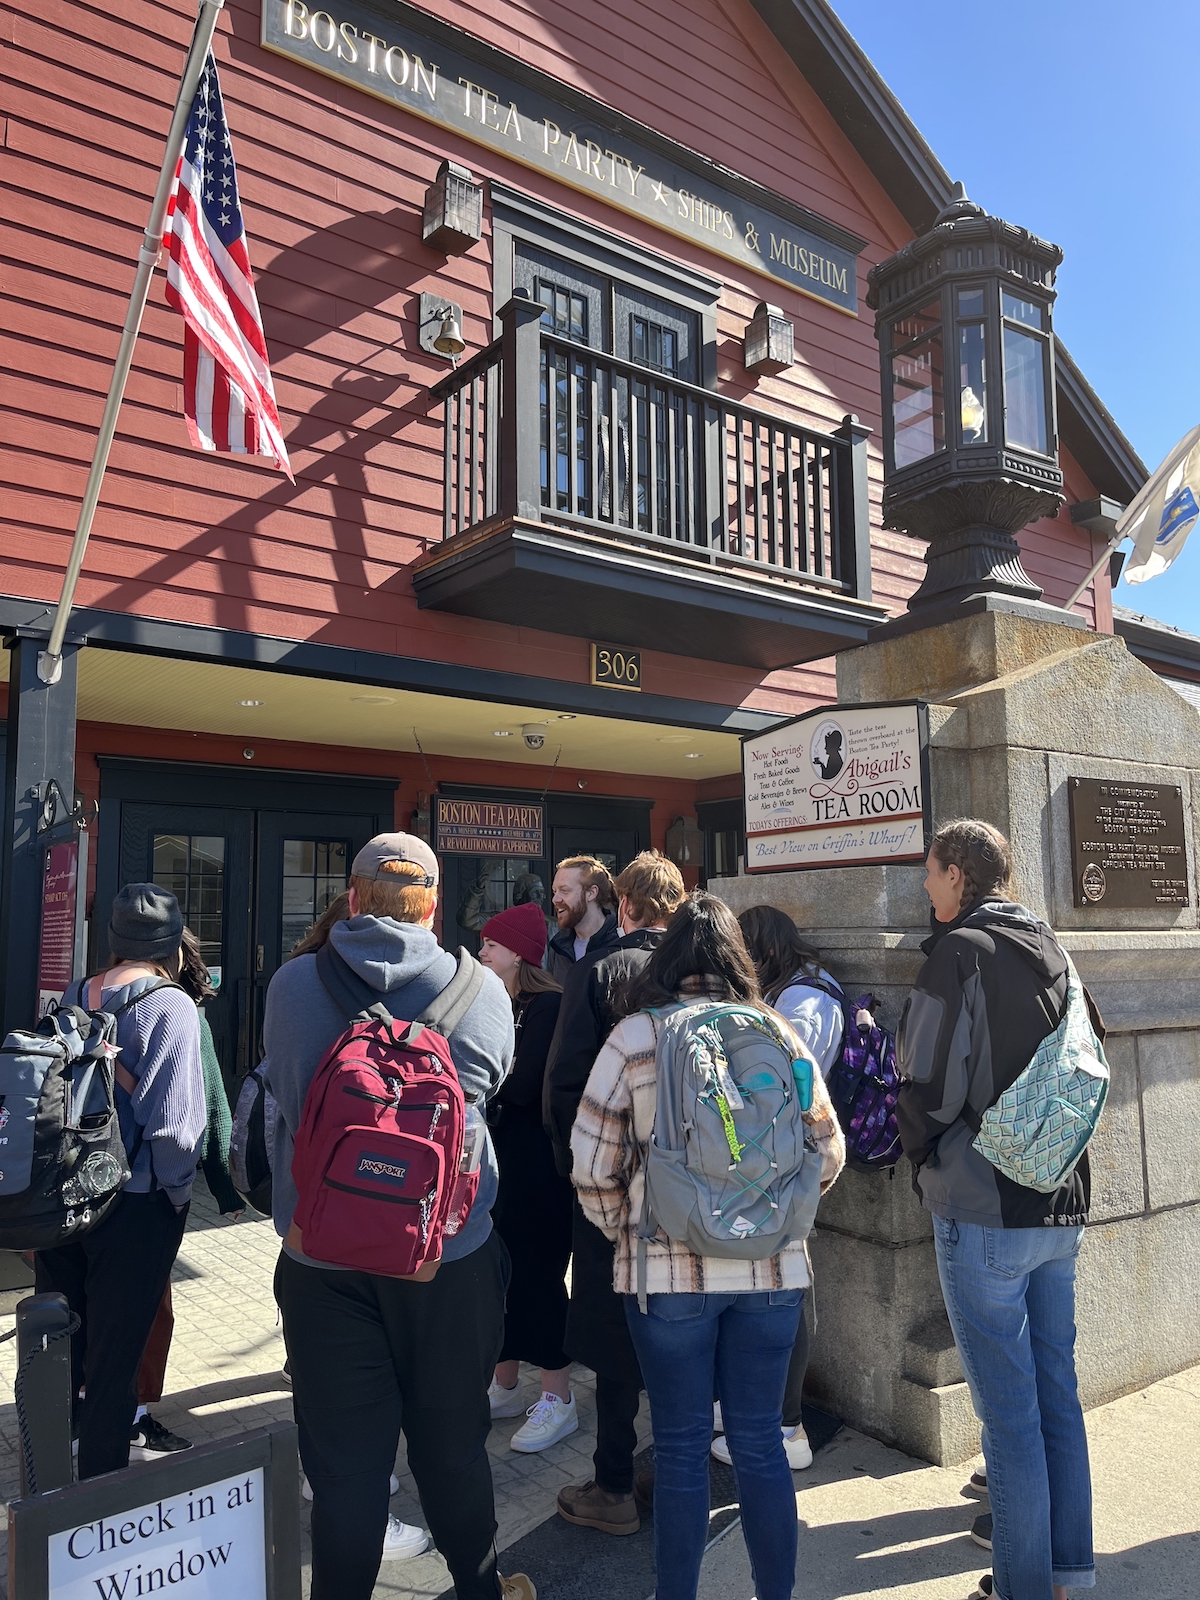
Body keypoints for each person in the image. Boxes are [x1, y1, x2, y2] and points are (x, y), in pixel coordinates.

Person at [261, 833, 535, 1600]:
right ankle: (480, 1590)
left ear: (352, 897)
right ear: (434, 906)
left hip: (325, 1261)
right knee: (452, 1448)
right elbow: (491, 1088)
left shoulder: (292, 986)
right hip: (447, 1258)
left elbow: (286, 1094)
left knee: (346, 1465)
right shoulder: (480, 991)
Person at [571, 894, 844, 1600]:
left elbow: (591, 1166)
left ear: (668, 960)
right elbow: (829, 1150)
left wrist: (626, 1231)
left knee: (683, 1448)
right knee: (759, 1446)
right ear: (736, 959)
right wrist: (779, 1216)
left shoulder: (634, 1038)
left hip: (667, 1278)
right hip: (773, 1273)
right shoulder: (779, 1032)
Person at [896, 819, 1094, 1600]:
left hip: (984, 1208)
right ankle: (1067, 1576)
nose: (924, 885)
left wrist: (917, 1152)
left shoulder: (958, 954)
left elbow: (931, 1087)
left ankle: (1020, 1589)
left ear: (958, 876)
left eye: (931, 871)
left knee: (1008, 1423)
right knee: (1056, 1397)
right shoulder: (1053, 947)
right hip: (1059, 1198)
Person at [36, 884, 206, 1479]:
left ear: (113, 940)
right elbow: (177, 1132)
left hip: (64, 1197)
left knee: (63, 1346)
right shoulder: (173, 1006)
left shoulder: (76, 993)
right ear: (171, 944)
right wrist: (177, 1198)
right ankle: (98, 1497)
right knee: (114, 1361)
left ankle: (48, 1472)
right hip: (134, 1202)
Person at [546, 850, 685, 1535]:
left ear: (624, 905)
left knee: (612, 1335)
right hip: (691, 1191)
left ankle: (613, 1482)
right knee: (676, 1328)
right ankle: (672, 1469)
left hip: (614, 1188)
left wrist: (575, 1172)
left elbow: (564, 1088)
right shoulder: (705, 975)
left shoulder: (600, 971)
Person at [716, 905, 847, 1472]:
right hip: (777, 1160)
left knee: (785, 1296)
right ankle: (764, 1413)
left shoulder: (804, 1001)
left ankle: (788, 1428)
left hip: (788, 1162)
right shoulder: (796, 992)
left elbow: (789, 1086)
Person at [133, 926, 242, 1461]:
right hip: (143, 1189)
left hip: (80, 1185)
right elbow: (207, 1109)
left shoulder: (87, 992)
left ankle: (89, 1407)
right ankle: (133, 1418)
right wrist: (211, 1188)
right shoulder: (177, 1009)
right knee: (149, 1309)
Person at [477, 903, 576, 1451]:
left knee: (537, 1276)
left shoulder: (548, 1006)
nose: (481, 954)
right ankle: (506, 1383)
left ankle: (559, 1399)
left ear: (517, 953)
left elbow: (518, 1086)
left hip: (541, 1165)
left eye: (490, 945)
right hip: (504, 1160)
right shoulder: (502, 1001)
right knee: (503, 1273)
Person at [546, 855, 619, 982]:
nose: (555, 899)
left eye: (564, 890)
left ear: (591, 893)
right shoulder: (558, 946)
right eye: (554, 891)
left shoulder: (620, 942)